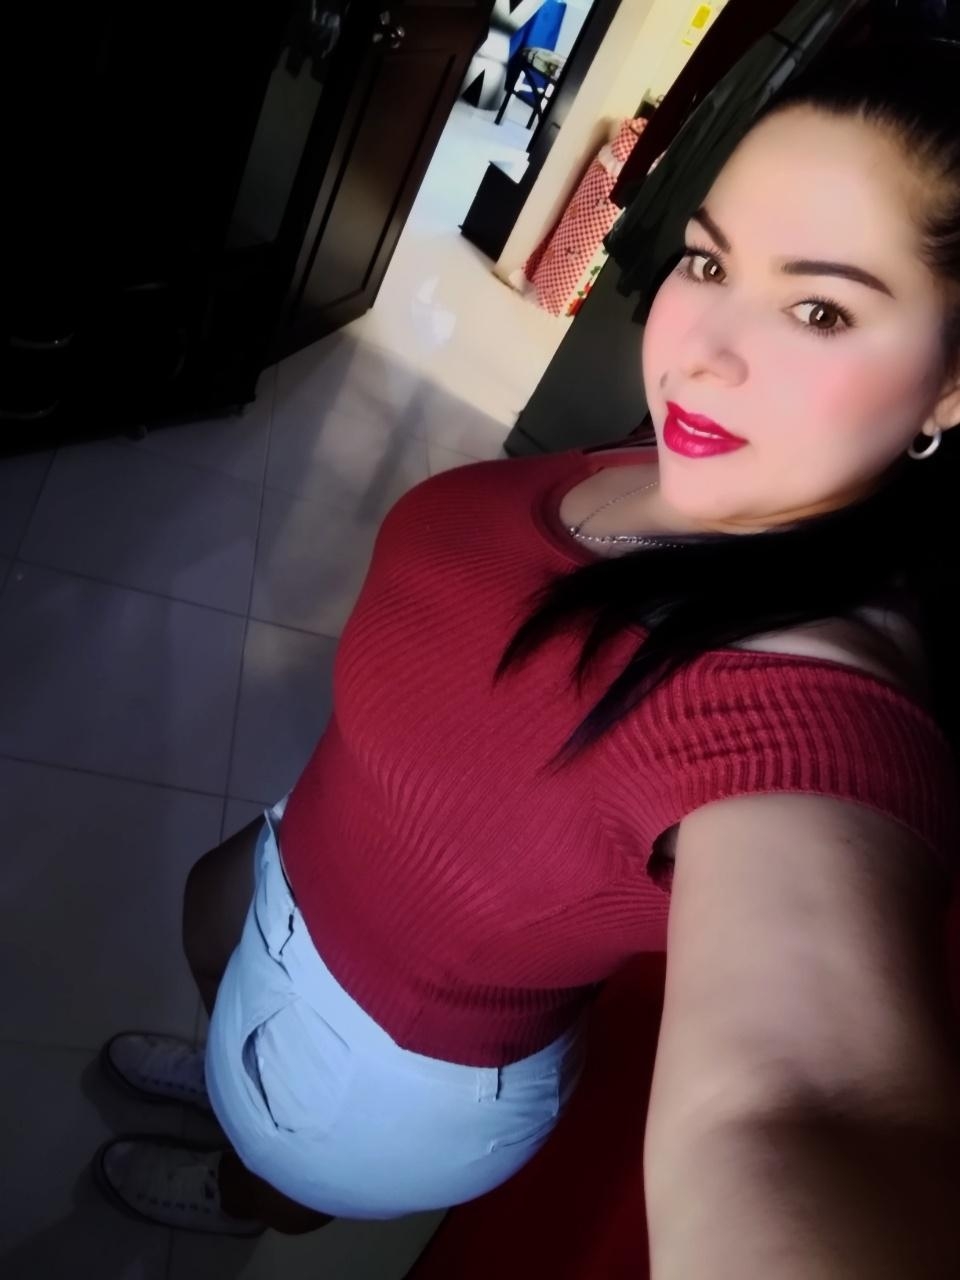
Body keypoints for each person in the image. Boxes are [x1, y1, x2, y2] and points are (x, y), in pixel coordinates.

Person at [91, 32, 960, 1275]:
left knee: (279, 1156)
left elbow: (801, 1103)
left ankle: (248, 1187)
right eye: (709, 260)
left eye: (820, 308)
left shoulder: (807, 701)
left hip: (375, 1079)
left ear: (950, 386)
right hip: (301, 884)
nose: (703, 349)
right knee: (241, 1053)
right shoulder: (689, 469)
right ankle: (240, 1093)